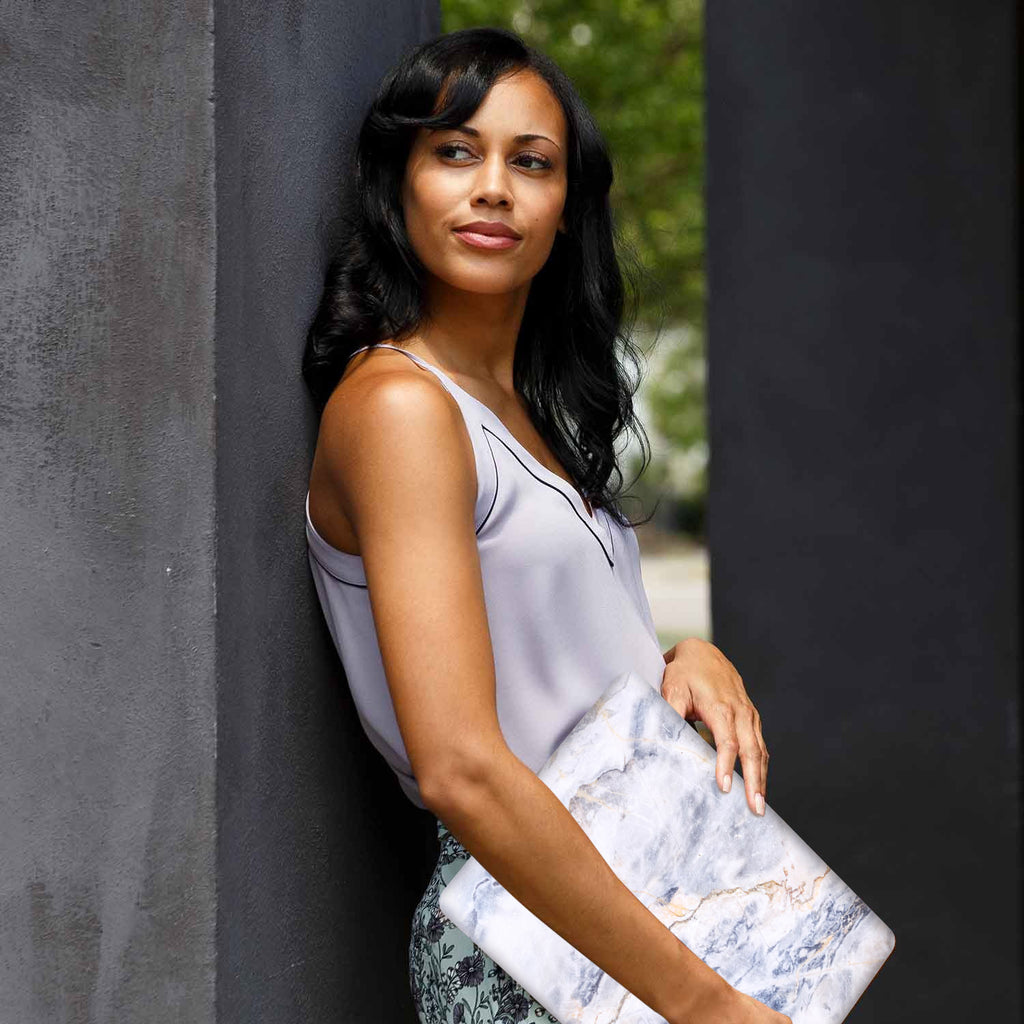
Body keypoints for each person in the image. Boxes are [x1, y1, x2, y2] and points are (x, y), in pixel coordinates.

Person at [302, 26, 788, 1024]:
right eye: (454, 152)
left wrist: (684, 660)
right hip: (534, 942)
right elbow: (462, 766)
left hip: (639, 902)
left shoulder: (522, 413)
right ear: (398, 184)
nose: (492, 187)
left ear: (566, 211)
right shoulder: (401, 408)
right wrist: (704, 1006)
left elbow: (551, 666)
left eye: (530, 162)